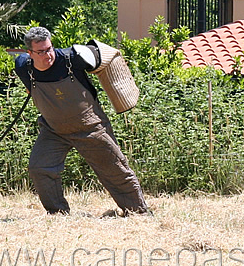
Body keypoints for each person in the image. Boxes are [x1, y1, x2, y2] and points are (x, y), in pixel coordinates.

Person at [14, 26, 148, 216]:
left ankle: (138, 213)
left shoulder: (73, 58)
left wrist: (122, 91)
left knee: (115, 169)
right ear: (29, 53)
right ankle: (58, 214)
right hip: (53, 130)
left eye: (49, 48)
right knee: (39, 168)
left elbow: (108, 55)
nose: (48, 55)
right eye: (41, 51)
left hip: (90, 127)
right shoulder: (23, 66)